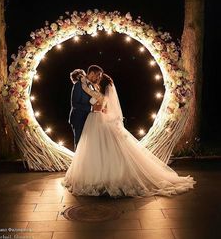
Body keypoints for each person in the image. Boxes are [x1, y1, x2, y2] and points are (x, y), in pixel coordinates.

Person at [62, 73, 196, 197]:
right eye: (96, 77)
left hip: (98, 120)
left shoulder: (100, 93)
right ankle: (99, 174)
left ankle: (101, 175)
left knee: (97, 147)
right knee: (96, 148)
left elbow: (101, 105)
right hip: (95, 121)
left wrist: (96, 105)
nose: (96, 80)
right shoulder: (96, 90)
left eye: (98, 78)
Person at [68, 65, 103, 150]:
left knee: (88, 144)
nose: (99, 78)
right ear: (91, 73)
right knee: (80, 143)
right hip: (78, 118)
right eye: (98, 75)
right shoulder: (78, 85)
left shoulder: (91, 86)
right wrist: (92, 109)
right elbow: (75, 104)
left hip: (89, 119)